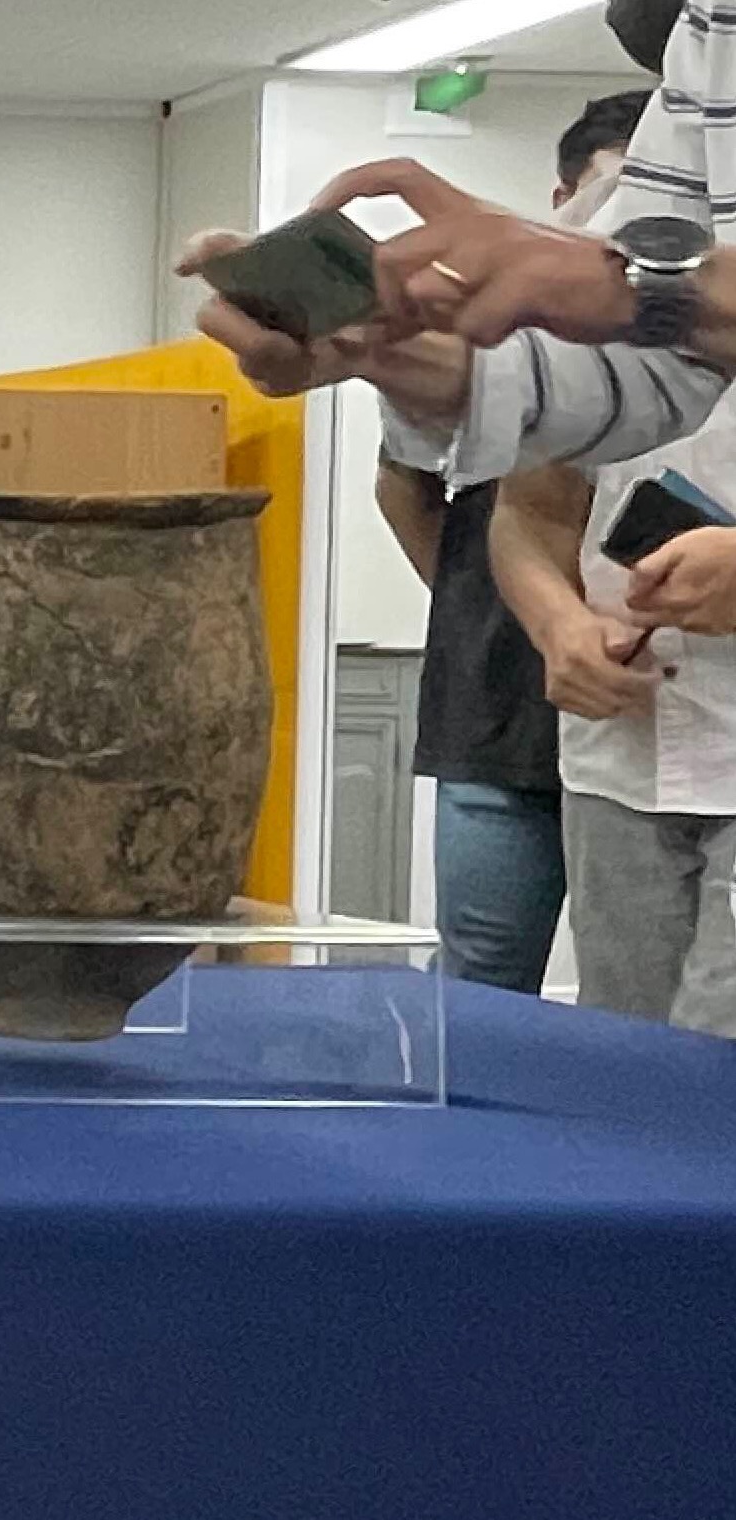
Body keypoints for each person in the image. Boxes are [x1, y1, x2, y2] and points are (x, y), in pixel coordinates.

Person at [183, 0, 715, 494]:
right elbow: (670, 383)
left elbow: (663, 311)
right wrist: (385, 346)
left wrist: (640, 284)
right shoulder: (705, 34)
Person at [373, 90, 649, 994]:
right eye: (615, 195)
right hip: (499, 712)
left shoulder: (685, 347)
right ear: (563, 199)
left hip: (649, 713)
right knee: (481, 984)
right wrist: (488, 612)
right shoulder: (508, 329)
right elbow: (406, 489)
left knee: (640, 995)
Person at [489, 387, 736, 1035]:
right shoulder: (584, 338)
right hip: (617, 758)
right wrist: (557, 624)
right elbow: (528, 510)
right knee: (621, 1048)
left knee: (719, 1057)